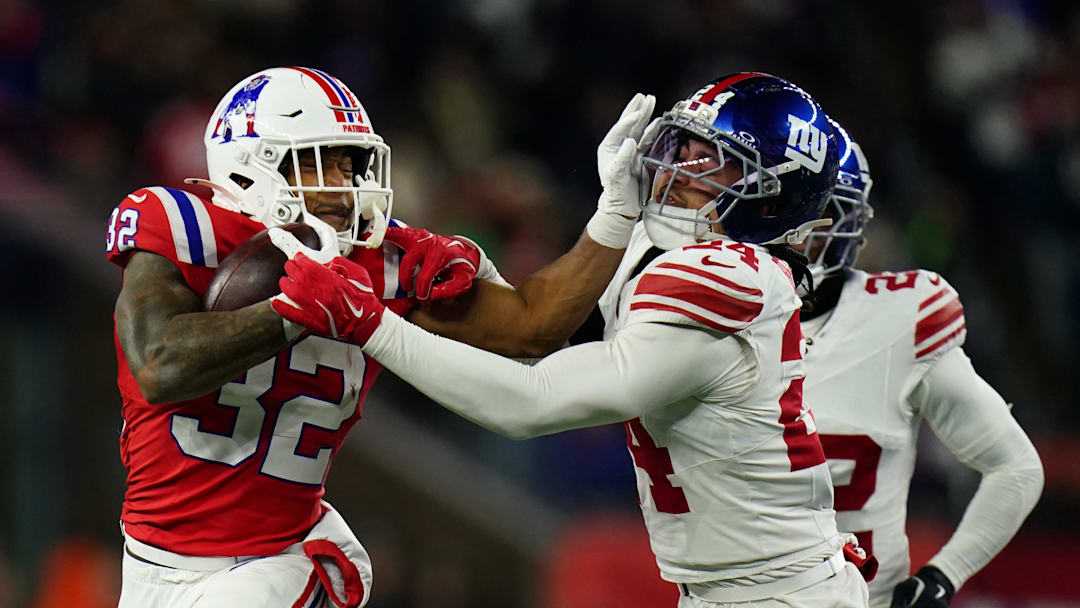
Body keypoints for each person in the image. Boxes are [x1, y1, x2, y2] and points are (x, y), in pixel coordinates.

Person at [270, 73, 876, 607]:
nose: (678, 169)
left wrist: (370, 324)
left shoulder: (727, 279)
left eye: (710, 163)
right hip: (749, 588)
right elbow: (557, 321)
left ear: (771, 199)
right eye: (685, 147)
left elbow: (531, 400)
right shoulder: (691, 259)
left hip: (779, 593)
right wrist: (612, 214)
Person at [107, 66, 654, 607]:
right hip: (151, 560)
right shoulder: (181, 227)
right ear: (254, 165)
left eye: (351, 165)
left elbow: (533, 329)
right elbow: (160, 366)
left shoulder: (379, 260)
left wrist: (614, 214)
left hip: (279, 560)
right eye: (321, 164)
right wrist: (297, 310)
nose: (344, 189)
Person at [795, 122, 1044, 608]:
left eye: (815, 214)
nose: (794, 232)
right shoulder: (696, 314)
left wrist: (943, 576)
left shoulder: (895, 319)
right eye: (776, 209)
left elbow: (1015, 466)